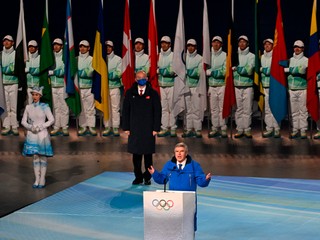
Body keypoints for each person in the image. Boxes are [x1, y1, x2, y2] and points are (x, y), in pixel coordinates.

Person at [148, 142, 212, 231]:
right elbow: (162, 179)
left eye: (182, 151)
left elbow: (201, 182)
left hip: (188, 201)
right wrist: (154, 173)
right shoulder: (169, 165)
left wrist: (206, 179)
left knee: (188, 226)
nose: (179, 153)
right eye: (177, 151)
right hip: (173, 201)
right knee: (173, 226)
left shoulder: (194, 166)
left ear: (186, 153)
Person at [122, 70, 161, 185]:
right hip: (134, 129)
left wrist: (156, 128)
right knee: (136, 155)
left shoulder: (153, 93)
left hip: (148, 129)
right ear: (135, 79)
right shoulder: (130, 93)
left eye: (143, 77)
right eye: (139, 78)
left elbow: (157, 112)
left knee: (148, 156)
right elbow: (125, 111)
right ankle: (138, 177)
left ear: (147, 79)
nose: (141, 80)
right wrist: (126, 127)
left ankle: (147, 177)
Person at [21, 86, 54, 188]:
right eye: (33, 94)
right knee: (35, 157)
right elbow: (23, 121)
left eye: (36, 94)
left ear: (40, 96)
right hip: (32, 134)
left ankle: (42, 178)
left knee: (42, 156)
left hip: (42, 134)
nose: (34, 96)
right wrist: (30, 127)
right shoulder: (28, 107)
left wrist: (41, 126)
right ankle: (37, 179)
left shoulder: (45, 106)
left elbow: (51, 119)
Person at [233, 35, 255, 138]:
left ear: (247, 43)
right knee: (239, 109)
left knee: (247, 109)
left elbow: (249, 70)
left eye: (244, 42)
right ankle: (239, 129)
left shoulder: (251, 56)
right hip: (236, 86)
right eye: (240, 42)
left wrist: (237, 69)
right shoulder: (234, 55)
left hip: (248, 86)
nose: (242, 44)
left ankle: (247, 129)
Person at [286, 40, 308, 139]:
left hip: (303, 88)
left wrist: (289, 70)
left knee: (303, 110)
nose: (297, 48)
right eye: (295, 46)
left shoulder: (306, 60)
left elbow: (302, 70)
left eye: (299, 47)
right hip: (292, 89)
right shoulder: (290, 60)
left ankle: (303, 130)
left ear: (303, 48)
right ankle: (295, 130)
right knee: (293, 111)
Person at [206, 36, 227, 138]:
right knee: (213, 109)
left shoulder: (224, 55)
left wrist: (212, 72)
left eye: (218, 43)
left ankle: (223, 128)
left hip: (222, 85)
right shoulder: (208, 55)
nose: (216, 44)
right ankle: (214, 128)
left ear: (221, 44)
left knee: (222, 108)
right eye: (214, 42)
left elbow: (224, 71)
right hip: (211, 85)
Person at [157, 36, 177, 138]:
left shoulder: (173, 56)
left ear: (170, 44)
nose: (164, 45)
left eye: (166, 43)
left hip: (172, 85)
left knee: (172, 107)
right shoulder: (158, 55)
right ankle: (164, 128)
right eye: (162, 43)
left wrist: (160, 70)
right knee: (164, 108)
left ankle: (172, 128)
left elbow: (172, 71)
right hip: (161, 85)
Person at [182, 39, 203, 138]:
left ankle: (197, 129)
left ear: (195, 47)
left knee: (196, 109)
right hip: (186, 87)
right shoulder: (184, 57)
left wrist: (188, 72)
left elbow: (199, 73)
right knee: (188, 110)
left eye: (192, 46)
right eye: (188, 46)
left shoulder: (200, 58)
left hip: (196, 87)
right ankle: (189, 128)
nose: (190, 47)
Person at [260, 38, 281, 138]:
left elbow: (272, 70)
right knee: (267, 109)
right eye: (265, 44)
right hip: (265, 86)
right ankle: (269, 128)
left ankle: (276, 128)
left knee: (275, 107)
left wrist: (263, 69)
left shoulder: (276, 57)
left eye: (269, 44)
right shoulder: (261, 57)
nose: (267, 46)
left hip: (274, 86)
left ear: (273, 46)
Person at [49, 38, 69, 137]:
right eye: (54, 44)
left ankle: (64, 127)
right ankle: (56, 127)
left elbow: (64, 71)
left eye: (58, 45)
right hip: (53, 85)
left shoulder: (64, 57)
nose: (56, 46)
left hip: (62, 85)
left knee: (64, 107)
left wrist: (55, 72)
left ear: (61, 46)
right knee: (56, 107)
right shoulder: (50, 56)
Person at [102, 40, 122, 137]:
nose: (107, 49)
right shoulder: (101, 59)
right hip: (104, 88)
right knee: (106, 108)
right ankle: (107, 126)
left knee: (115, 108)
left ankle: (115, 127)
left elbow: (119, 73)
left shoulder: (118, 59)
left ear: (112, 48)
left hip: (114, 87)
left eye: (109, 47)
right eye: (106, 47)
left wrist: (107, 75)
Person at [77, 40, 97, 136]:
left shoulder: (92, 59)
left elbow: (90, 72)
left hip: (89, 87)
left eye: (84, 46)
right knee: (81, 108)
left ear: (89, 48)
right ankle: (83, 126)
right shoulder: (75, 59)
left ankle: (91, 126)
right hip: (79, 88)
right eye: (81, 46)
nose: (82, 48)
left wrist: (79, 72)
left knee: (90, 108)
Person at [1, 35, 19, 136]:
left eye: (9, 41)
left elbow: (14, 69)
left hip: (14, 83)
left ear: (12, 43)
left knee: (13, 106)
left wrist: (5, 69)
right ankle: (7, 126)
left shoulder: (16, 54)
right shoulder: (0, 54)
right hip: (3, 84)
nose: (6, 42)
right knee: (6, 106)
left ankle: (15, 126)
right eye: (5, 41)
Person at [25, 40, 40, 104]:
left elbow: (40, 70)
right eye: (30, 46)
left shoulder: (40, 57)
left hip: (37, 86)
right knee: (29, 104)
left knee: (37, 104)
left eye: (33, 47)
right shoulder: (25, 58)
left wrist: (29, 69)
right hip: (28, 85)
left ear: (37, 48)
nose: (31, 48)